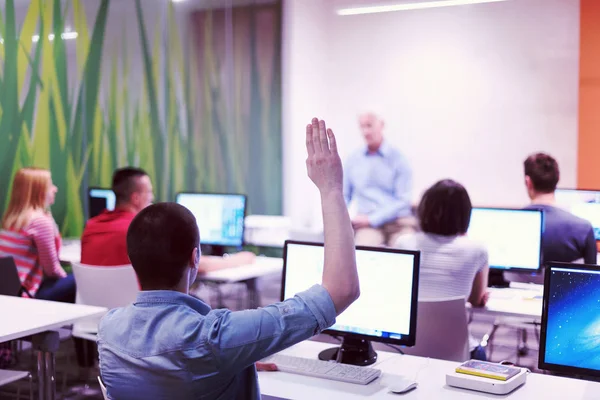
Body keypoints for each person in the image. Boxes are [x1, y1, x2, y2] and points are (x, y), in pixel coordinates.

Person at [97, 118, 360, 399]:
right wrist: (331, 189)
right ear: (194, 258)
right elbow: (340, 291)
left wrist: (237, 358)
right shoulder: (215, 338)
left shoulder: (108, 330)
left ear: (134, 259)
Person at [81, 167, 255, 270]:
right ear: (136, 198)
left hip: (102, 319)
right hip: (143, 318)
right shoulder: (141, 231)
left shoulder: (91, 226)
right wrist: (238, 260)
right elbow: (195, 265)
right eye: (149, 192)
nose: (153, 196)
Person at [395, 179, 489, 360]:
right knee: (480, 352)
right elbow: (476, 299)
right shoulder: (477, 250)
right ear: (465, 214)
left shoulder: (404, 242)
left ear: (424, 210)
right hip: (457, 353)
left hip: (403, 347)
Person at [0, 167, 75, 302]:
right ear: (39, 191)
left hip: (8, 292)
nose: (55, 189)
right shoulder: (39, 221)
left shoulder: (11, 219)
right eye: (50, 185)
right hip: (27, 294)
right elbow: (52, 270)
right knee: (80, 279)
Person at [343, 112, 414, 247]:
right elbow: (344, 196)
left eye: (369, 125)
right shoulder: (353, 159)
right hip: (366, 226)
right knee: (364, 250)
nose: (365, 131)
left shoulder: (399, 159)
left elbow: (404, 200)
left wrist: (373, 219)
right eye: (362, 126)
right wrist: (341, 219)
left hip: (398, 222)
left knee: (407, 249)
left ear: (381, 125)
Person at [523, 153, 597, 266]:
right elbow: (592, 277)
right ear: (557, 179)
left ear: (528, 182)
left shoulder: (508, 223)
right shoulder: (584, 228)